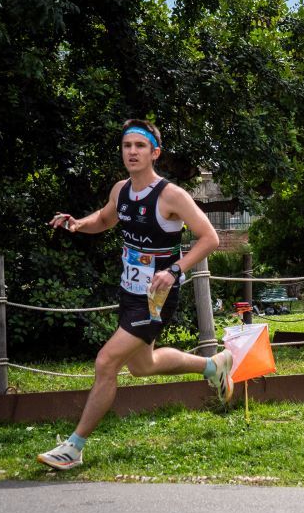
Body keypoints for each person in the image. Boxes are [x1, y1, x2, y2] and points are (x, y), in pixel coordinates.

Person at [37, 119, 234, 470]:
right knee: (144, 366)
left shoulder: (171, 195)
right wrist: (79, 223)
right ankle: (212, 365)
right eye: (127, 145)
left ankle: (74, 447)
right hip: (130, 292)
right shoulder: (121, 190)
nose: (132, 152)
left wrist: (174, 271)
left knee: (106, 362)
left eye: (139, 146)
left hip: (156, 298)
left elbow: (210, 238)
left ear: (154, 153)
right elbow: (105, 219)